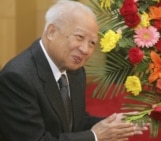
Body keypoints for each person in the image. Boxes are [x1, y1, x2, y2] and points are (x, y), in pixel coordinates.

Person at [0, 0, 148, 141]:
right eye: (79, 37)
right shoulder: (17, 78)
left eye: (92, 43)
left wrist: (114, 125)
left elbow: (75, 123)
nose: (85, 50)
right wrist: (95, 136)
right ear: (51, 32)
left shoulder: (75, 72)